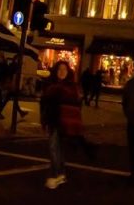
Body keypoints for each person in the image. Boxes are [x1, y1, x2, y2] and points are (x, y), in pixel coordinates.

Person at [40, 61, 97, 189]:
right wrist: (43, 120)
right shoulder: (49, 85)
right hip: (52, 120)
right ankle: (60, 173)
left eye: (64, 69)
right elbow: (43, 105)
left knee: (58, 148)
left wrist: (74, 122)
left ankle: (57, 174)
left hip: (64, 122)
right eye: (59, 69)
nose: (62, 72)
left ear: (68, 71)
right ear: (55, 71)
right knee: (54, 147)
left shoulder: (71, 87)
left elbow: (76, 106)